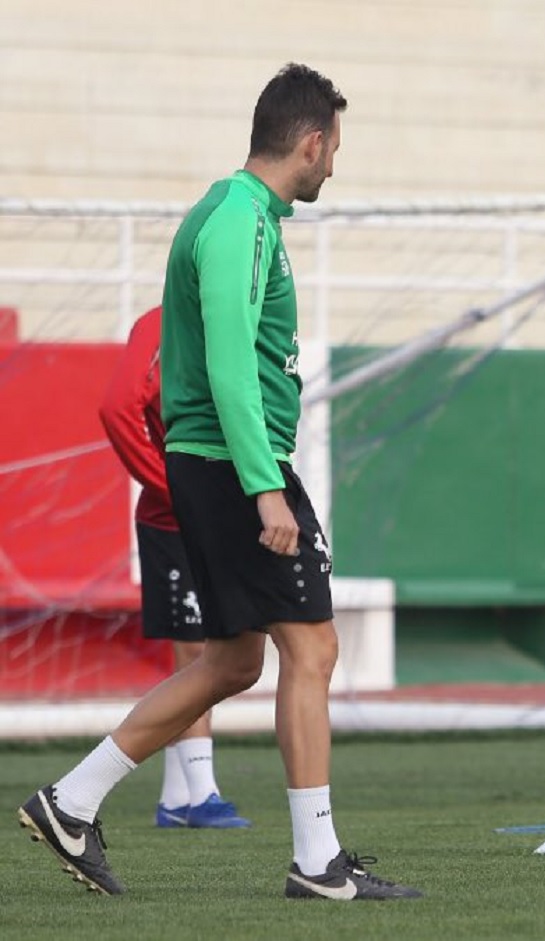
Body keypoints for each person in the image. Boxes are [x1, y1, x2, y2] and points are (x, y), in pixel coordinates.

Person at [19, 63, 420, 899]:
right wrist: (265, 486)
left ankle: (72, 798)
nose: (334, 167)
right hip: (239, 468)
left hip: (213, 465)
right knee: (313, 646)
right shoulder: (240, 221)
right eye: (334, 149)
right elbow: (233, 368)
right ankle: (317, 862)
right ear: (310, 143)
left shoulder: (239, 214)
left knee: (237, 659)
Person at [98, 304, 250, 830]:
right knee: (202, 656)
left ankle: (179, 798)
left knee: (218, 652)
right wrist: (170, 487)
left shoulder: (237, 317)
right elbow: (117, 407)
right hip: (176, 519)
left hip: (224, 511)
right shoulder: (161, 322)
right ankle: (199, 794)